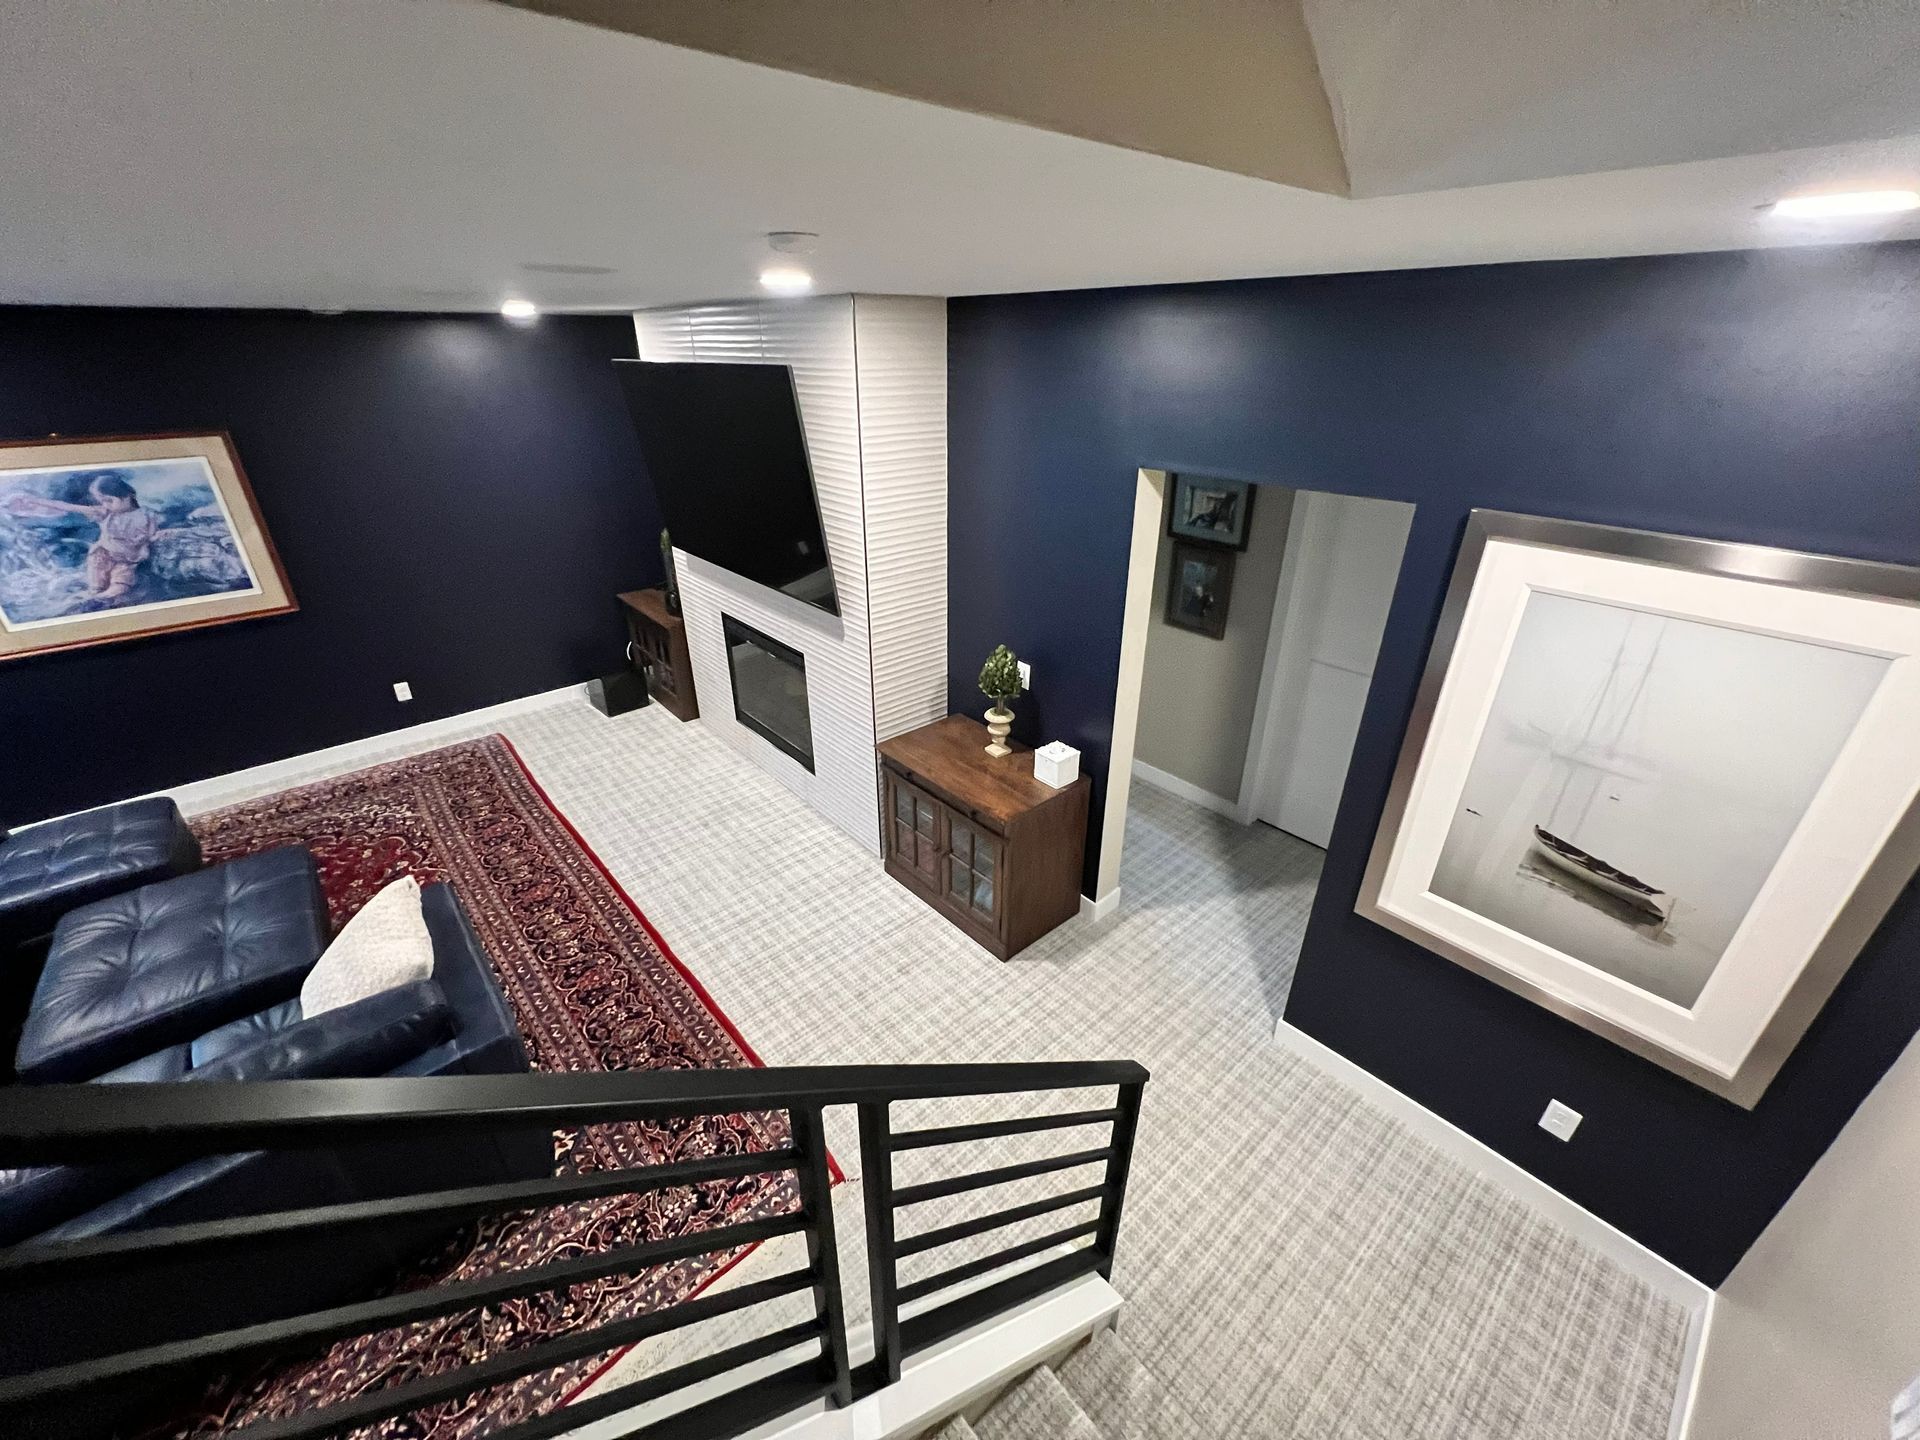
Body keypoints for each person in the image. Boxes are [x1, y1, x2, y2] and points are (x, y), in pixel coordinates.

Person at [3, 472, 163, 602]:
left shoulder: (147, 514)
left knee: (121, 581)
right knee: (96, 581)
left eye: (109, 500)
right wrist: (37, 501)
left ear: (128, 495)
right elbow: (68, 507)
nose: (105, 504)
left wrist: (153, 541)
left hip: (128, 557)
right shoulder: (104, 512)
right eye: (102, 501)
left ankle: (108, 594)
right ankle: (94, 593)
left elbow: (152, 535)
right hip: (103, 554)